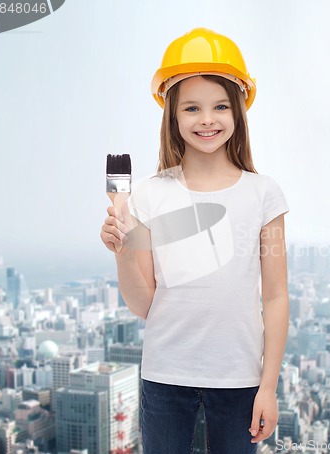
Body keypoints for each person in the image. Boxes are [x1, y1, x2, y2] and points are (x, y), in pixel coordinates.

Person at [100, 27, 290, 454]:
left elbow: (276, 297)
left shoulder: (264, 194)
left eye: (220, 105)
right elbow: (144, 304)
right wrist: (122, 249)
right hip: (165, 378)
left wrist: (269, 387)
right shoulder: (148, 194)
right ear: (172, 115)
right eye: (192, 108)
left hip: (241, 381)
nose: (207, 119)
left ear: (239, 110)